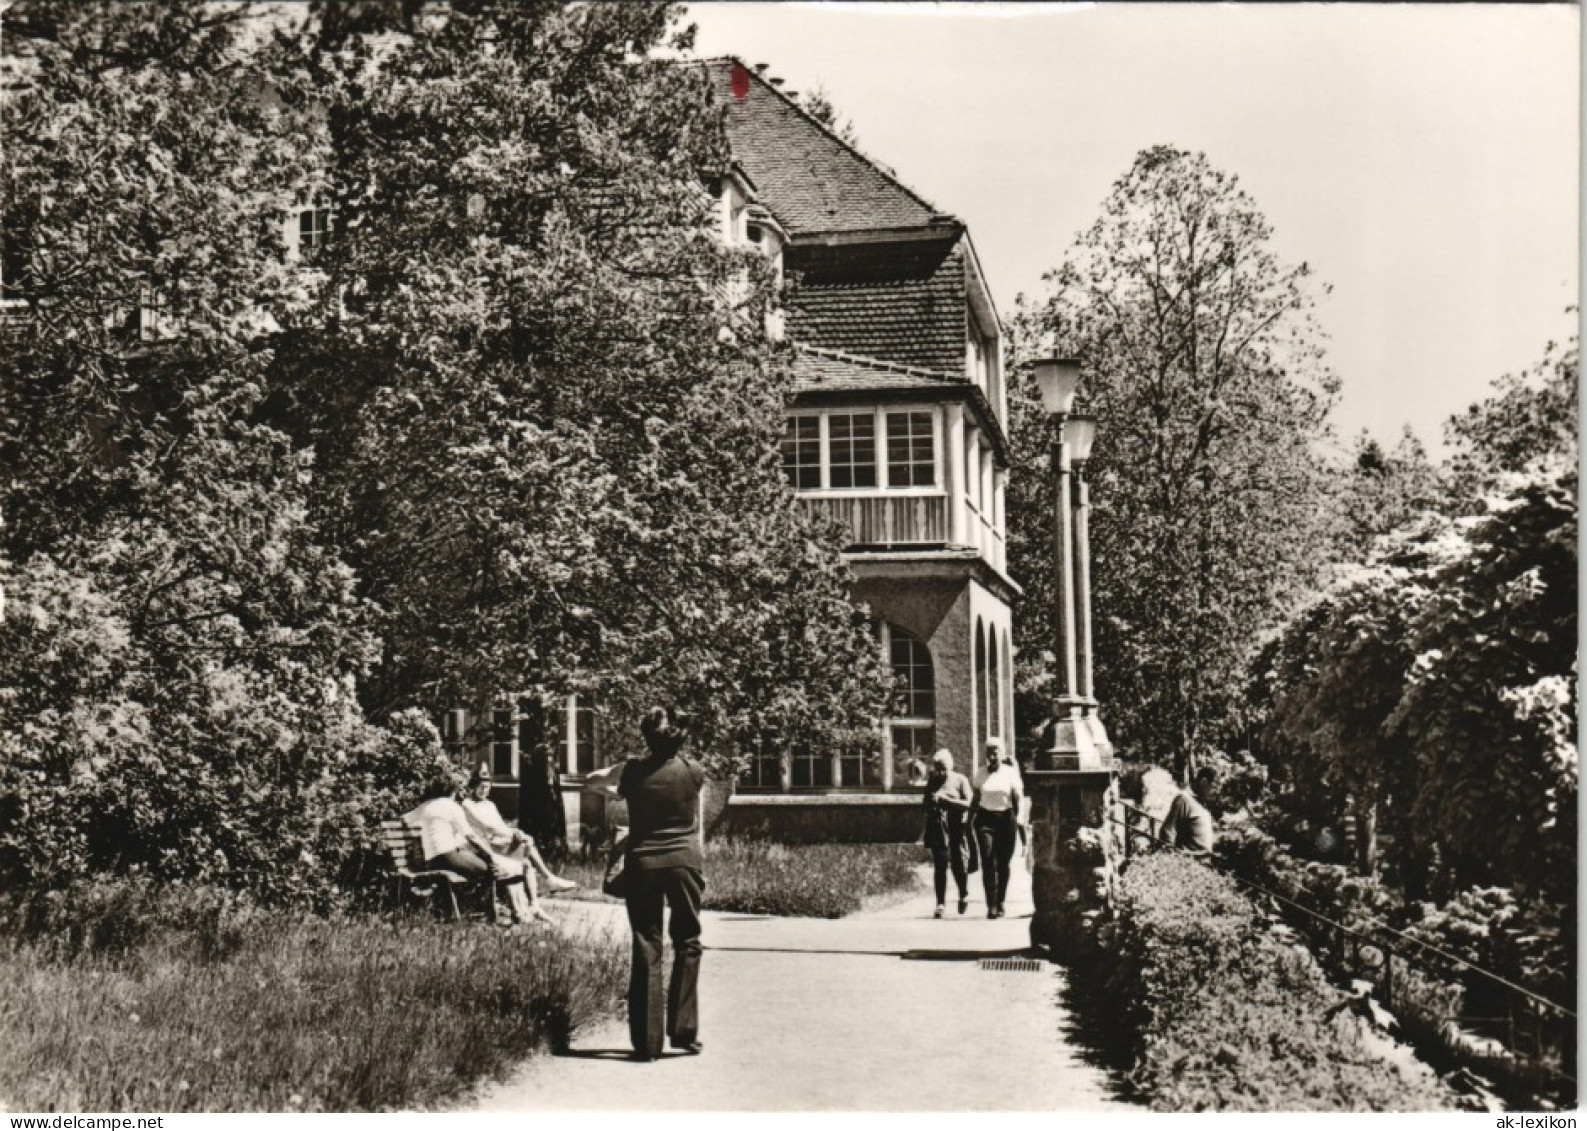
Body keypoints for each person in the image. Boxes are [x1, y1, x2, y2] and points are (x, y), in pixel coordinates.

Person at [584, 706, 706, 1061]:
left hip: (643, 864)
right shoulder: (693, 770)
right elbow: (696, 819)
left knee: (647, 944)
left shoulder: (632, 771)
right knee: (688, 941)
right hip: (685, 861)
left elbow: (592, 779)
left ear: (647, 737)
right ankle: (684, 1031)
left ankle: (647, 1044)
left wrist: (616, 793)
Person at [403, 772, 536, 924]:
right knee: (491, 870)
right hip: (449, 855)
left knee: (482, 868)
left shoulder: (425, 806)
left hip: (432, 859)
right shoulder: (452, 807)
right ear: (453, 791)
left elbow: (405, 820)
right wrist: (489, 854)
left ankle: (486, 908)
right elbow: (471, 836)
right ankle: (490, 916)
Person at [461, 766, 579, 896]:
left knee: (527, 855)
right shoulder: (468, 804)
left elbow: (501, 826)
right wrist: (514, 835)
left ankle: (535, 903)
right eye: (480, 786)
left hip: (496, 844)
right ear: (473, 786)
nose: (483, 790)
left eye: (487, 787)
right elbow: (488, 826)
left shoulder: (490, 805)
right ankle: (549, 879)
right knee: (526, 846)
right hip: (482, 848)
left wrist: (518, 833)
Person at [971, 741, 1024, 919]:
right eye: (989, 752)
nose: (992, 756)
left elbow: (1018, 798)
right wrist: (968, 820)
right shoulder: (980, 773)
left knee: (1003, 863)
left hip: (1006, 819)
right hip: (985, 820)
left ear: (1002, 754)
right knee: (987, 861)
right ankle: (991, 905)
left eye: (996, 752)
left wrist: (1020, 818)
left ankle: (1001, 900)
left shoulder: (1010, 773)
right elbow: (976, 798)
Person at [922, 748, 974, 918]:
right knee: (940, 865)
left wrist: (947, 800)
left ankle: (963, 894)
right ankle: (940, 904)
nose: (940, 771)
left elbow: (969, 804)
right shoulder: (933, 781)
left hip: (956, 827)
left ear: (951, 766)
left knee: (958, 863)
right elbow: (924, 806)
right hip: (939, 827)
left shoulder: (960, 780)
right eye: (937, 768)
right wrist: (932, 803)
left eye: (943, 768)